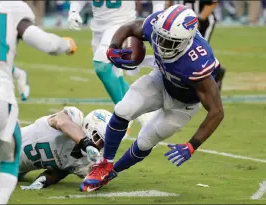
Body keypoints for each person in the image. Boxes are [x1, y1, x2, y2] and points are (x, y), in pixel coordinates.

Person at [80, 4, 224, 192]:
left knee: (146, 141)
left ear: (186, 40)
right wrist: (113, 47)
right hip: (161, 80)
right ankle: (104, 165)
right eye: (161, 38)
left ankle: (112, 172)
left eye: (169, 42)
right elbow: (130, 27)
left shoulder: (197, 62)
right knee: (123, 110)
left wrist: (192, 145)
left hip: (183, 105)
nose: (162, 44)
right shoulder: (158, 25)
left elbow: (217, 111)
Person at [0, 1, 76, 203]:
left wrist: (17, 72)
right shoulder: (13, 8)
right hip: (1, 92)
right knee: (8, 159)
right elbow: (48, 44)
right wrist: (66, 44)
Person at [68, 1, 154, 127]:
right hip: (98, 27)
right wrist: (73, 11)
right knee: (115, 75)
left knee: (101, 66)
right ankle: (142, 113)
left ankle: (122, 117)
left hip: (121, 25)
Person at [18, 107, 111, 190]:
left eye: (102, 143)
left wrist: (45, 179)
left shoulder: (85, 160)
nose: (98, 145)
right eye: (96, 137)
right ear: (87, 126)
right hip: (9, 142)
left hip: (16, 170)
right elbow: (61, 122)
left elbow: (63, 170)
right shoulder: (75, 119)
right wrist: (86, 143)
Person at [166, 0, 226, 90]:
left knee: (198, 53)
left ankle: (215, 73)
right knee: (178, 50)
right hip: (179, 23)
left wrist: (200, 19)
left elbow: (212, 2)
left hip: (202, 22)